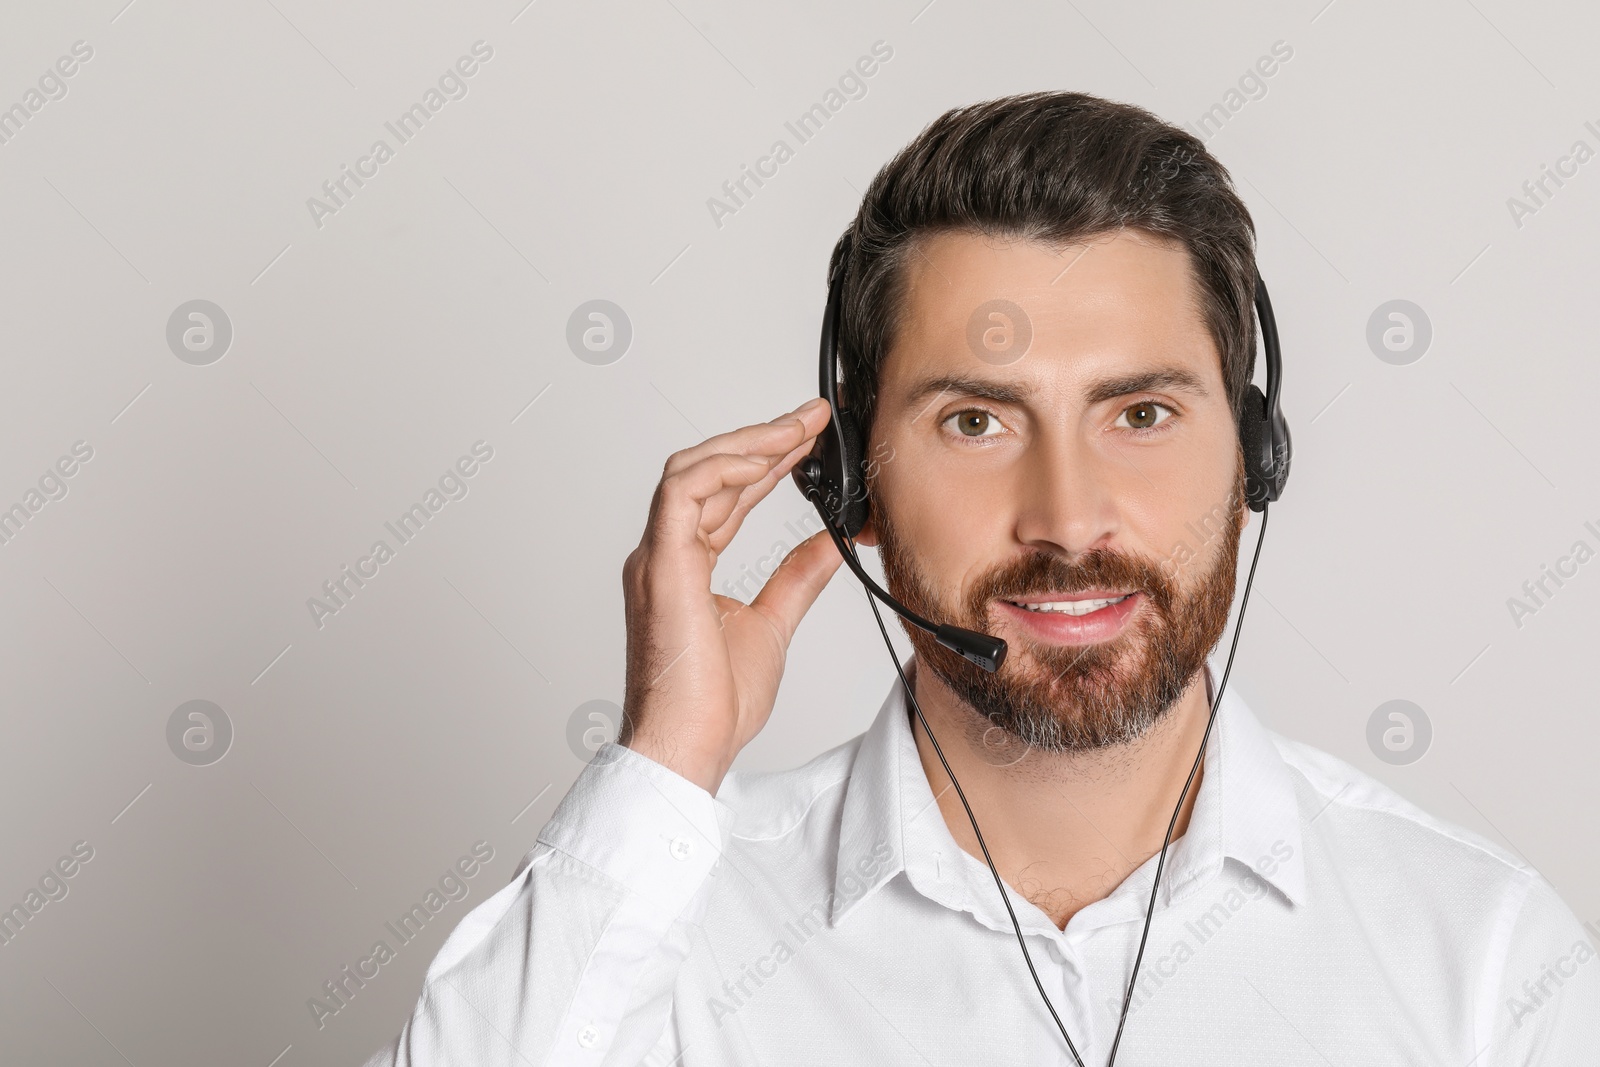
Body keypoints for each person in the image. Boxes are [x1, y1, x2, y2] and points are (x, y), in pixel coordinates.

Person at [364, 91, 1599, 1065]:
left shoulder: (1484, 963)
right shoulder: (662, 936)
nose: (1066, 517)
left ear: (1254, 454)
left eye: (1142, 412)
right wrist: (666, 765)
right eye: (975, 422)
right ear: (848, 478)